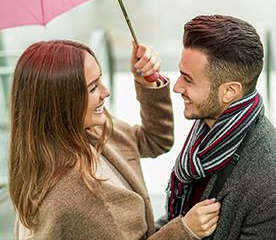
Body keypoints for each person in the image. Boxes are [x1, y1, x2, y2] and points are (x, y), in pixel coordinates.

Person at [9, 40, 220, 240]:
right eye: (93, 88)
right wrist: (185, 231)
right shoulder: (70, 197)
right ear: (59, 102)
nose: (106, 91)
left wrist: (145, 82)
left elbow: (156, 140)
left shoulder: (91, 130)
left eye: (100, 79)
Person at [168, 15, 276, 239]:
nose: (177, 87)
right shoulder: (207, 128)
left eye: (188, 79)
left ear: (229, 91)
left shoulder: (268, 183)